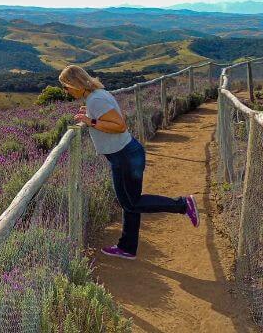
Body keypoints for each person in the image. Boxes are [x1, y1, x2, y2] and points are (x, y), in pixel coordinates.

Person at [58, 65, 199, 260]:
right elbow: (116, 118)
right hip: (126, 154)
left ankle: (183, 205)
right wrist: (91, 117)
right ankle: (127, 247)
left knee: (131, 202)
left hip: (124, 156)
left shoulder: (96, 99)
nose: (66, 92)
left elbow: (120, 125)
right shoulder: (97, 95)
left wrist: (91, 121)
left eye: (66, 87)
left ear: (75, 84)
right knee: (132, 202)